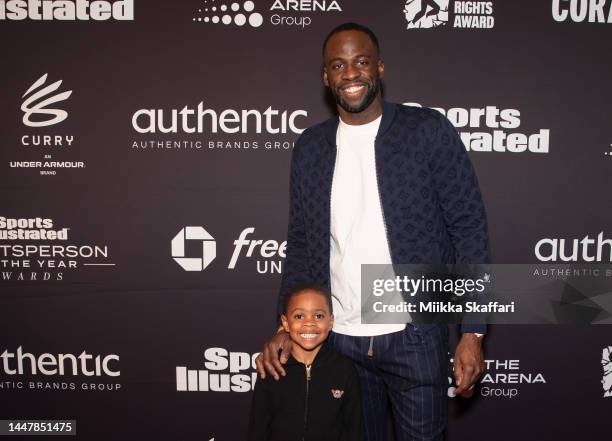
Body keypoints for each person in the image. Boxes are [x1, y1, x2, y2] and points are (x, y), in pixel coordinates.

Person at [256, 22, 490, 441]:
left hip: (414, 334)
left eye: (361, 61)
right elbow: (304, 244)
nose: (351, 74)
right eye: (339, 65)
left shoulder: (426, 131)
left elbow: (468, 229)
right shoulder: (310, 147)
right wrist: (285, 326)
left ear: (379, 67)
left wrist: (472, 331)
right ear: (326, 77)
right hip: (339, 340)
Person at [248, 283, 363, 441]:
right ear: (286, 323)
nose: (309, 323)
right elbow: (258, 429)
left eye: (318, 316)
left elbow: (354, 431)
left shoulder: (344, 369)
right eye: (299, 316)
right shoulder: (272, 367)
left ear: (331, 322)